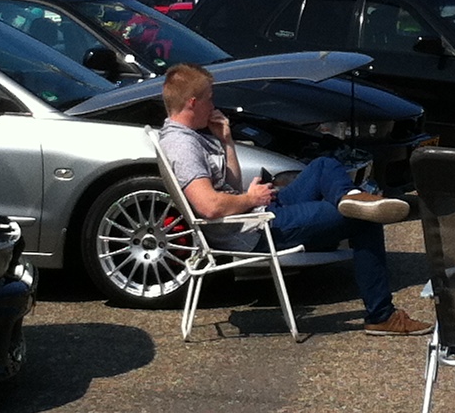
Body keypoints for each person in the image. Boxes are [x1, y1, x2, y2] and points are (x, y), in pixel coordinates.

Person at [158, 64, 427, 335]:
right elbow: (209, 207)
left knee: (323, 165)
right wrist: (250, 199)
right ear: (192, 103)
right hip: (255, 230)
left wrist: (226, 142)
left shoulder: (188, 136)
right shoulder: (183, 146)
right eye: (210, 98)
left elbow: (231, 186)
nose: (213, 105)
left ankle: (352, 197)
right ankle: (381, 315)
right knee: (364, 220)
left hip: (256, 214)